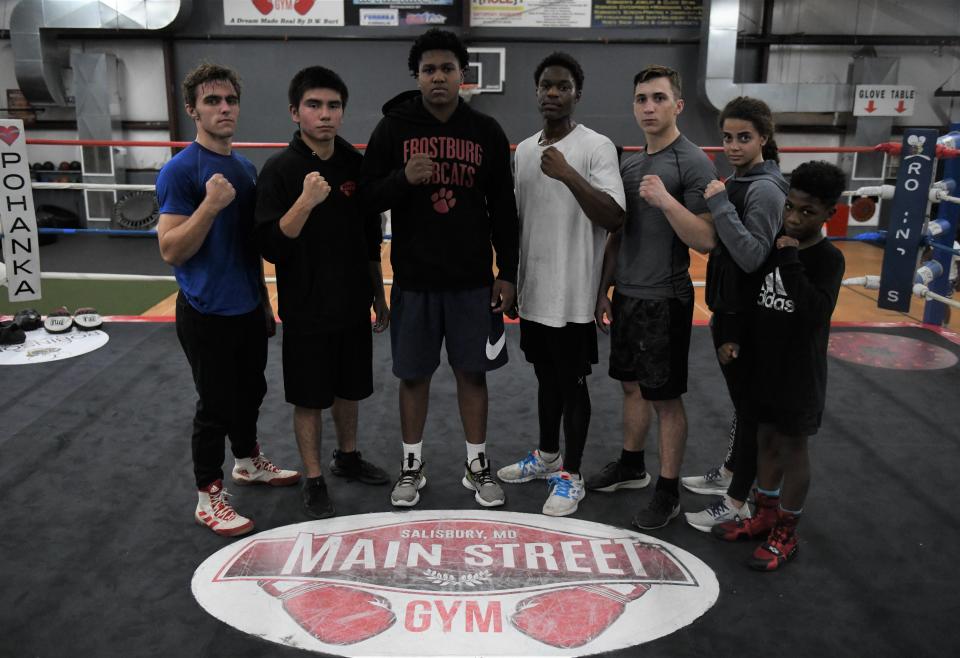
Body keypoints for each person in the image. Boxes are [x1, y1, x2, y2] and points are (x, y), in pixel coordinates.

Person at [359, 28, 520, 508]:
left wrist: (507, 272)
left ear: (463, 75)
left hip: (473, 281)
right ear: (417, 76)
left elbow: (505, 211)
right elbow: (367, 197)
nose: (438, 77)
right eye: (429, 69)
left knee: (474, 375)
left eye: (447, 68)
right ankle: (413, 466)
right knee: (414, 376)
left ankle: (477, 465)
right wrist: (401, 179)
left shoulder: (486, 131)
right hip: (416, 279)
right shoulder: (393, 129)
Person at [156, 63, 299, 538]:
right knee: (215, 404)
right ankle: (207, 495)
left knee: (251, 392)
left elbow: (248, 243)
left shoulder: (243, 167)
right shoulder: (180, 170)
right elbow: (171, 249)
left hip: (245, 305)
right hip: (204, 310)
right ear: (192, 109)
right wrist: (210, 205)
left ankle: (247, 462)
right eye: (212, 101)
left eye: (229, 100)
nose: (223, 108)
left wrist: (262, 300)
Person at [254, 66, 390, 519]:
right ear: (295, 112)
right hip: (306, 304)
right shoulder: (279, 169)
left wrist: (378, 293)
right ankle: (313, 477)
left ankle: (347, 457)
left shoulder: (355, 163)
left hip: (352, 301)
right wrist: (306, 201)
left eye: (333, 106)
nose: (325, 114)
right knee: (309, 396)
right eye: (314, 105)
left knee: (349, 389)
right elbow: (271, 245)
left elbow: (370, 234)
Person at [588, 65, 717, 530]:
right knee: (630, 385)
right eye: (642, 98)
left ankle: (668, 490)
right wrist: (604, 286)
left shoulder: (693, 162)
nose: (649, 107)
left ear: (677, 105)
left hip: (666, 298)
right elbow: (618, 233)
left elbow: (706, 239)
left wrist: (666, 201)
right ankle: (630, 465)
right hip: (628, 295)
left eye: (659, 98)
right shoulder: (629, 163)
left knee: (665, 398)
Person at [496, 53, 625, 517]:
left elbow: (615, 217)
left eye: (562, 86)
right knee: (544, 376)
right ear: (535, 92)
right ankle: (547, 455)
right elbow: (517, 222)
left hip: (573, 294)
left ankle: (571, 474)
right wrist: (511, 278)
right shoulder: (525, 151)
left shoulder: (597, 147)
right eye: (545, 86)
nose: (553, 93)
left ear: (577, 94)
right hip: (535, 292)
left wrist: (569, 174)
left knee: (573, 383)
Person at [711, 160, 846, 571]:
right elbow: (751, 296)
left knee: (792, 448)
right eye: (791, 207)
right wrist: (734, 336)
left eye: (807, 212)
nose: (793, 218)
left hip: (798, 374)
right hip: (762, 365)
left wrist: (789, 258)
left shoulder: (828, 259)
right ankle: (765, 514)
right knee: (764, 440)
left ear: (829, 214)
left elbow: (814, 312)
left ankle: (786, 532)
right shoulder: (774, 244)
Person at [683, 97, 788, 532]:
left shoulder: (763, 188)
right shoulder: (742, 180)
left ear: (763, 138)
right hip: (730, 308)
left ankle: (738, 500)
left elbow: (750, 255)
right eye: (727, 137)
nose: (733, 145)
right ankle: (730, 471)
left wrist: (721, 203)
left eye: (744, 137)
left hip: (749, 317)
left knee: (748, 408)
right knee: (741, 404)